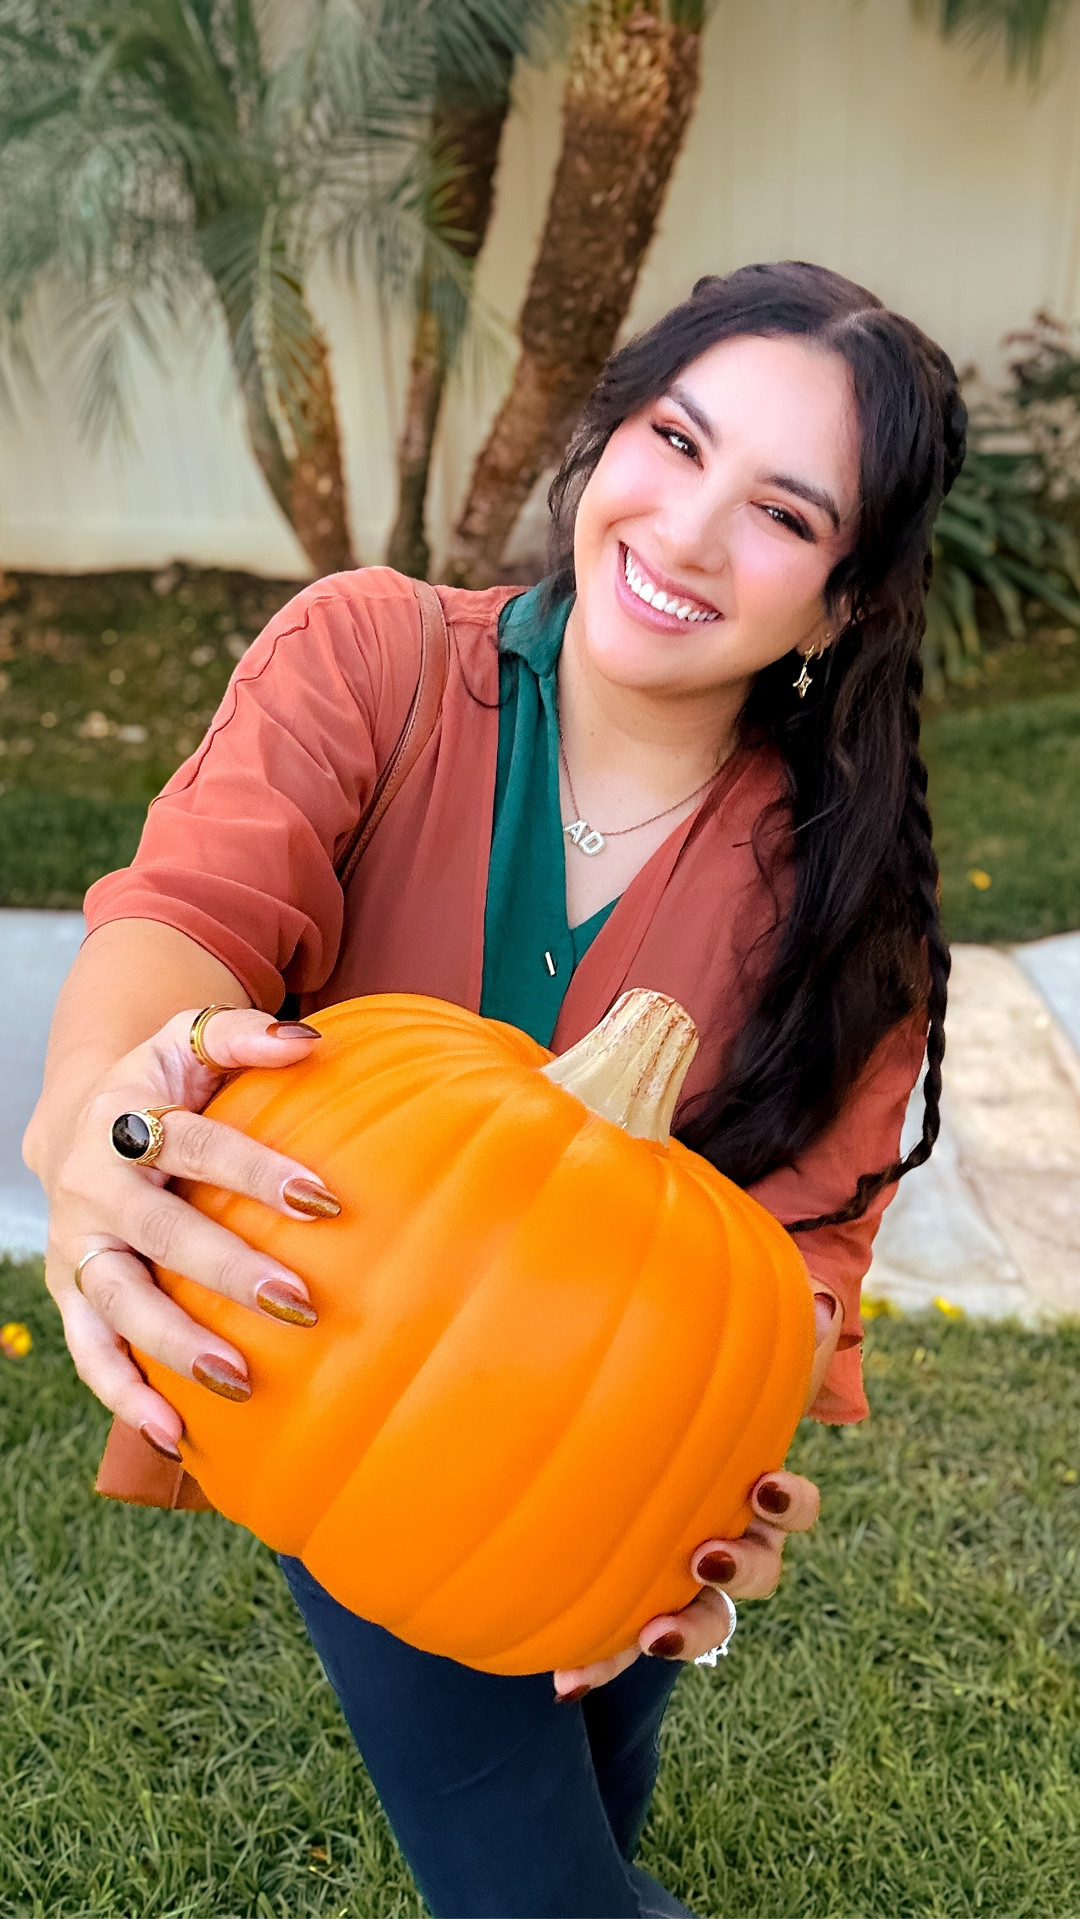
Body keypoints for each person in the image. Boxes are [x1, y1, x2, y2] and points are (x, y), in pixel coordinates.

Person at [25, 260, 962, 1919]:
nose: (683, 533)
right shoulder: (370, 661)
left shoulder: (845, 901)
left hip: (633, 1446)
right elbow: (188, 921)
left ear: (836, 605)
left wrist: (709, 1476)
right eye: (676, 441)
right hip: (346, 1370)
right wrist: (107, 1120)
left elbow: (803, 1252)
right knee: (530, 1890)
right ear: (607, 434)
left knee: (600, 1736)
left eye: (782, 514)